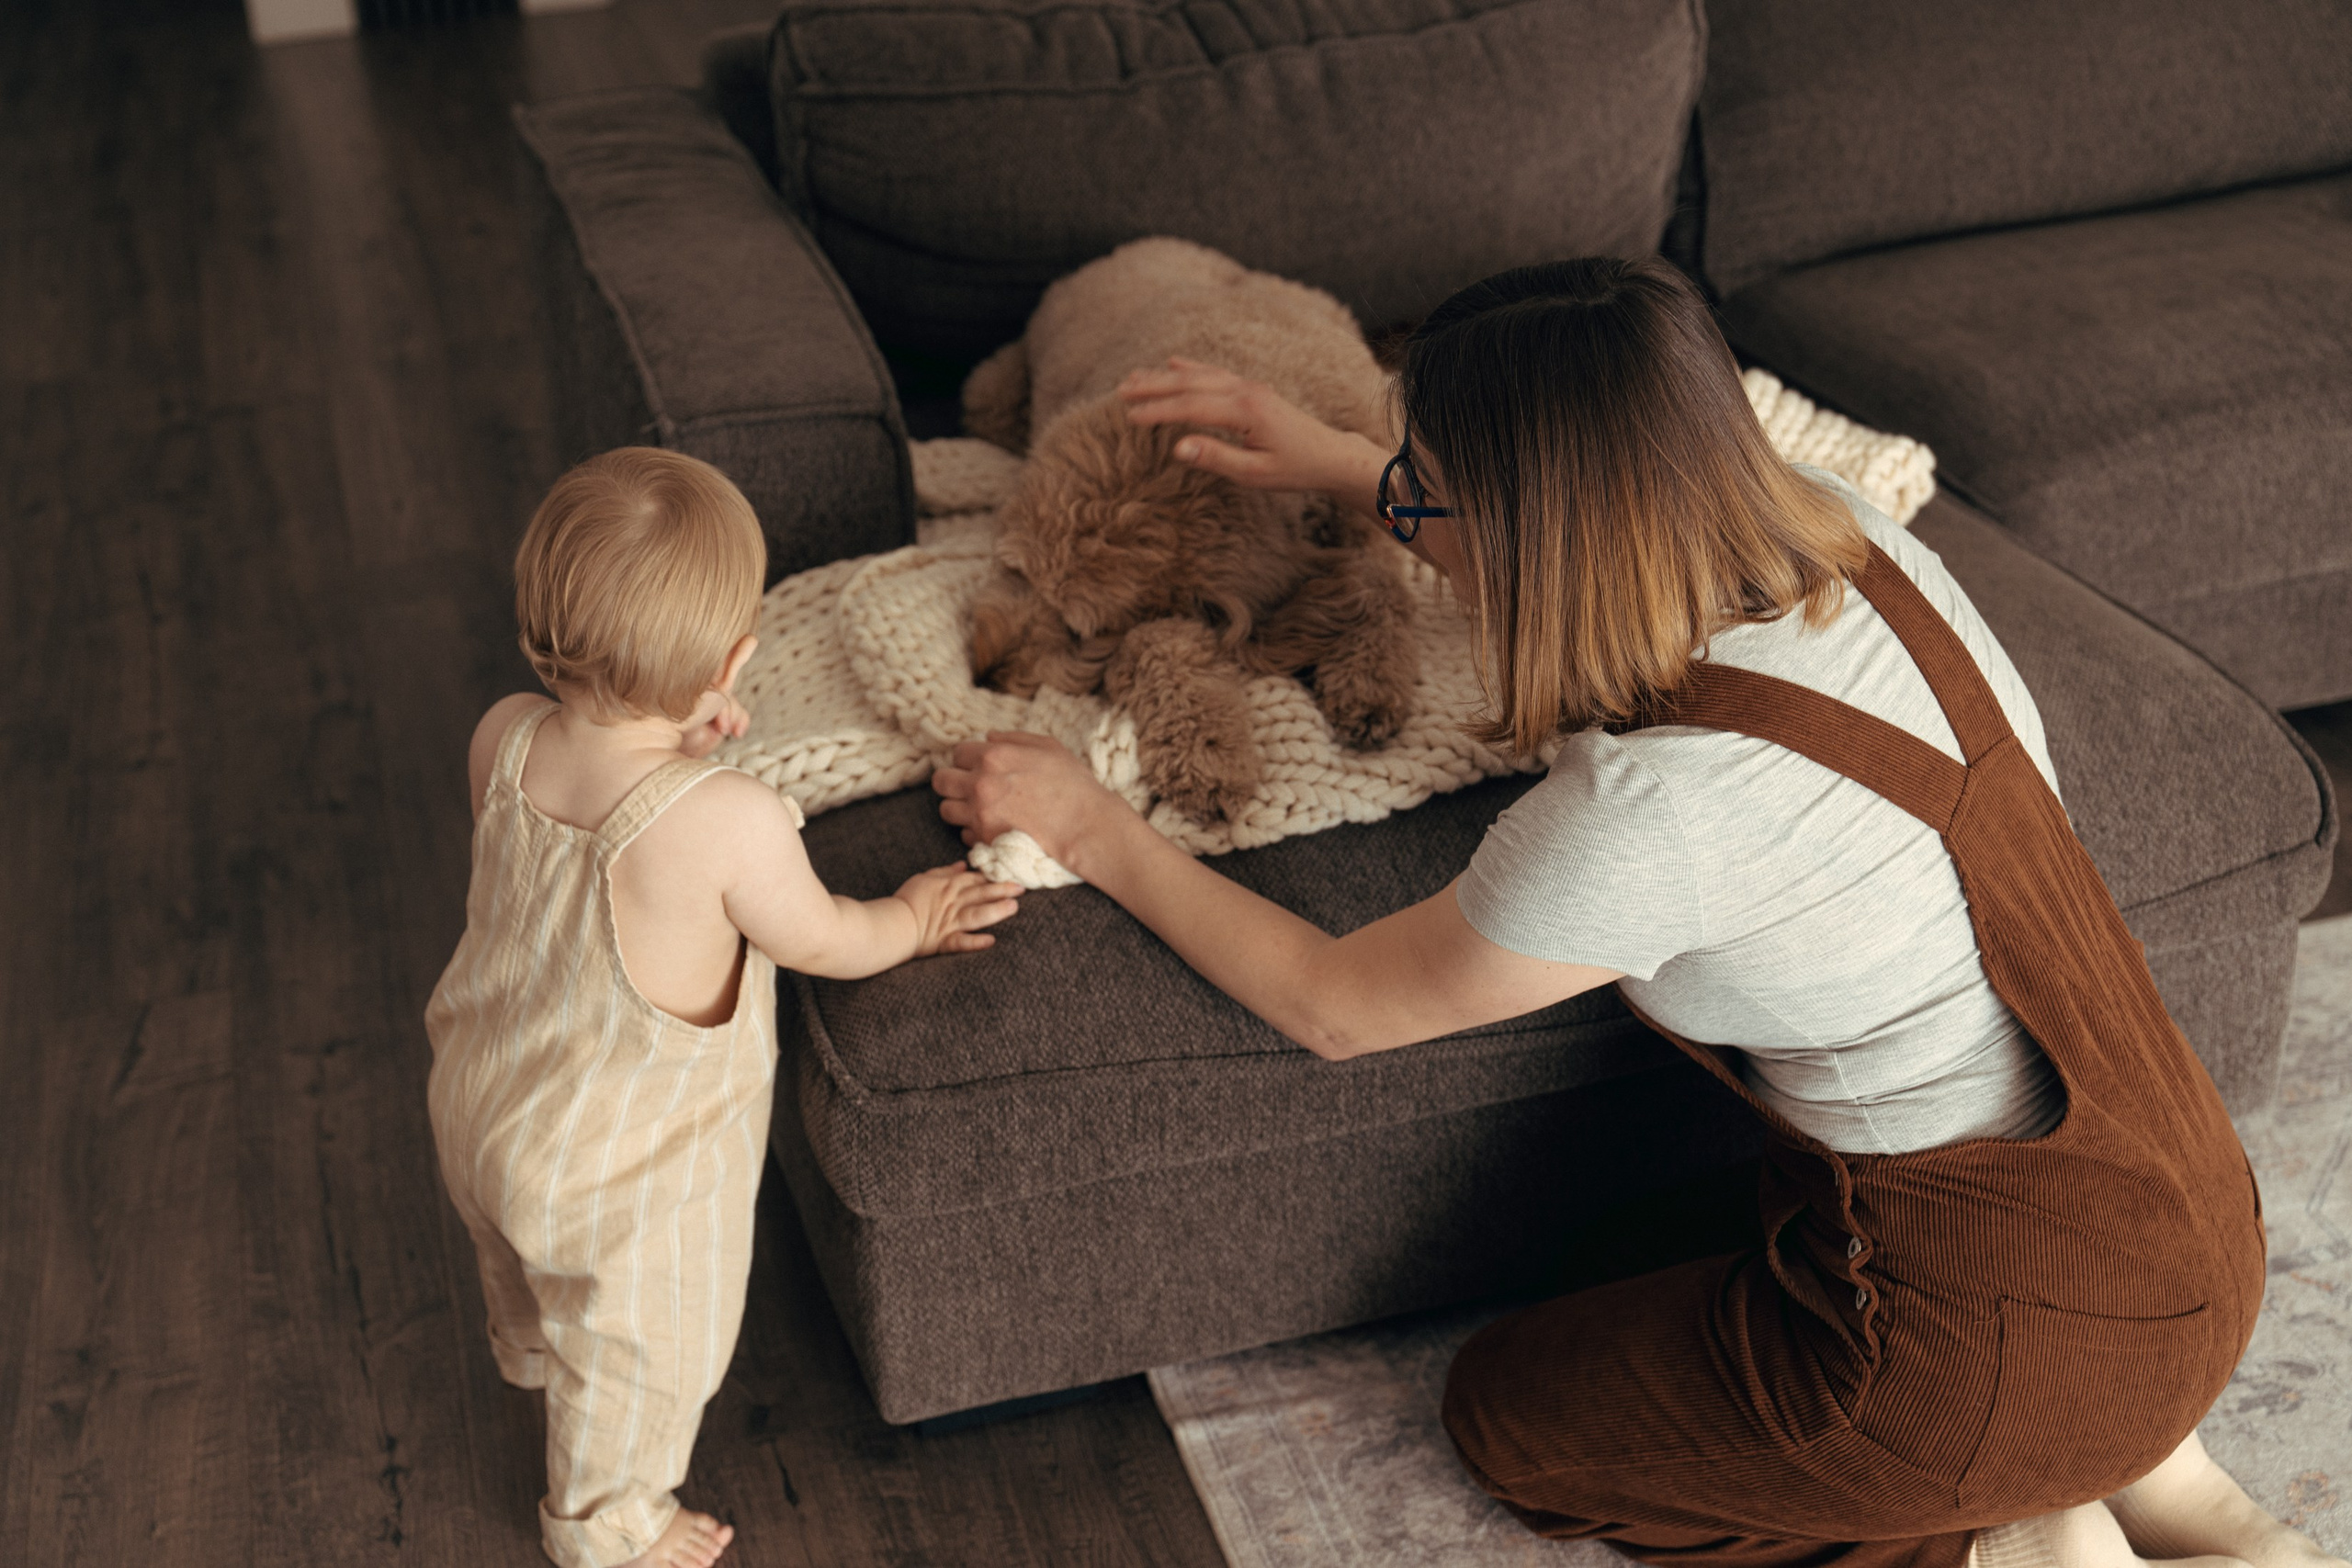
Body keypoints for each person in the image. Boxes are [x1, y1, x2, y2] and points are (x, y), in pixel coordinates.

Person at [931, 258, 2344, 1568]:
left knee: (1513, 1414)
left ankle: (1996, 1537)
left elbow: (1333, 1002)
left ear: (1529, 529)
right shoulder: (1834, 530)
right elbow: (1576, 519)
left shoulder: (1651, 813)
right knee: (1657, 1257)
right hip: (2184, 1216)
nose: (1404, 508)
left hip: (1979, 1334)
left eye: (1426, 491)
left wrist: (1091, 826)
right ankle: (2178, 1486)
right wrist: (1340, 468)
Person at [424, 448, 1022, 1568]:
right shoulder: (732, 821)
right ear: (734, 662)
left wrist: (667, 735)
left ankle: (524, 1346)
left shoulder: (501, 737)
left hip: (484, 1087)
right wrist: (911, 914)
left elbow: (590, 827)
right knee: (640, 1354)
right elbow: (824, 941)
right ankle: (606, 1526)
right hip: (624, 1177)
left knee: (519, 1257)